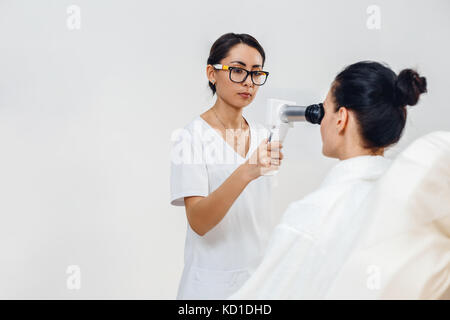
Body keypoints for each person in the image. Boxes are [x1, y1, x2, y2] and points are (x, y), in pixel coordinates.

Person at [229, 60, 428, 299]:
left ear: (341, 118)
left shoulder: (314, 215)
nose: (320, 121)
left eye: (325, 110)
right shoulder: (415, 198)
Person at [170, 33, 284, 299]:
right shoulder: (190, 137)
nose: (248, 83)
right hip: (210, 287)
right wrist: (246, 171)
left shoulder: (262, 135)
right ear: (212, 73)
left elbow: (256, 215)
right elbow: (198, 221)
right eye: (237, 71)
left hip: (258, 283)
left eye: (256, 74)